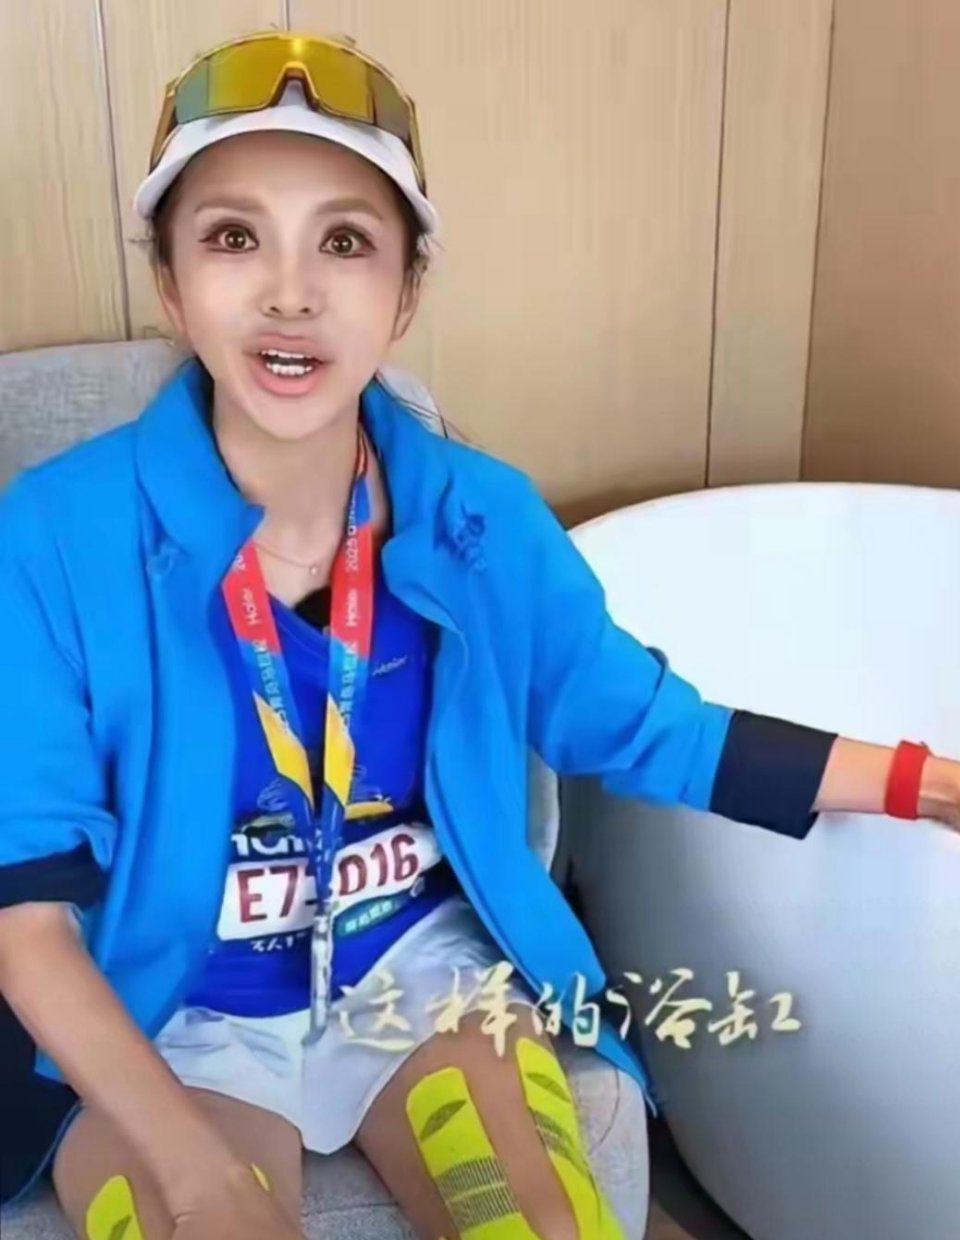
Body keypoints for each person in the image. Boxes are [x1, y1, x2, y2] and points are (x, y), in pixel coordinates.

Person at [0, 30, 956, 1240]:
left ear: (405, 292)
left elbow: (646, 726)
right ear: (172, 285)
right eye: (235, 238)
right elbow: (26, 919)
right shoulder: (52, 535)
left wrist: (926, 783)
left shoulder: (482, 518)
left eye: (345, 241)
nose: (290, 291)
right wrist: (192, 1173)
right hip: (167, 1003)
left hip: (421, 978)